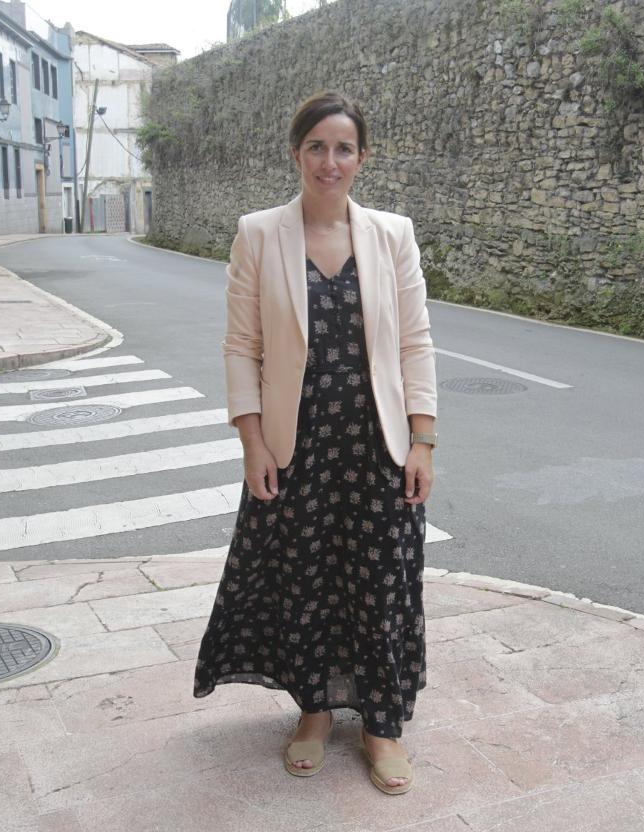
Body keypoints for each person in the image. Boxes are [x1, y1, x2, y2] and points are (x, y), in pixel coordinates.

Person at [193, 90, 438, 796]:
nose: (330, 161)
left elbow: (416, 343)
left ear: (363, 157)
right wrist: (252, 442)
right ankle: (315, 710)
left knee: (380, 581)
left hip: (377, 445)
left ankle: (382, 725)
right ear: (296, 153)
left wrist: (423, 439)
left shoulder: (393, 235)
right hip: (295, 446)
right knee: (305, 581)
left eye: (344, 148)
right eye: (317, 147)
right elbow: (241, 346)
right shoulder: (259, 234)